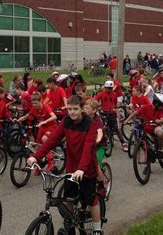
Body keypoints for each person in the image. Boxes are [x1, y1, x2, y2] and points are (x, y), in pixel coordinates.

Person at [27, 95, 103, 235]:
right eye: (69, 109)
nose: (72, 112)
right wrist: (37, 157)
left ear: (81, 109)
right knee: (68, 198)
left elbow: (87, 148)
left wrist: (81, 169)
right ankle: (70, 225)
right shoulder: (66, 121)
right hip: (72, 166)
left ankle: (97, 228)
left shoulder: (90, 124)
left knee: (91, 200)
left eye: (75, 109)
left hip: (86, 168)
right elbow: (53, 139)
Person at [95, 81, 127, 151]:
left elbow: (115, 103)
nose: (109, 90)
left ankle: (123, 143)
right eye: (108, 88)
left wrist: (115, 108)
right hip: (103, 113)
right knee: (102, 128)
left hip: (112, 113)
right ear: (105, 87)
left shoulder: (114, 94)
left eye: (110, 88)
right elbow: (95, 100)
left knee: (116, 128)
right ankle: (102, 142)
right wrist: (98, 106)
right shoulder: (101, 94)